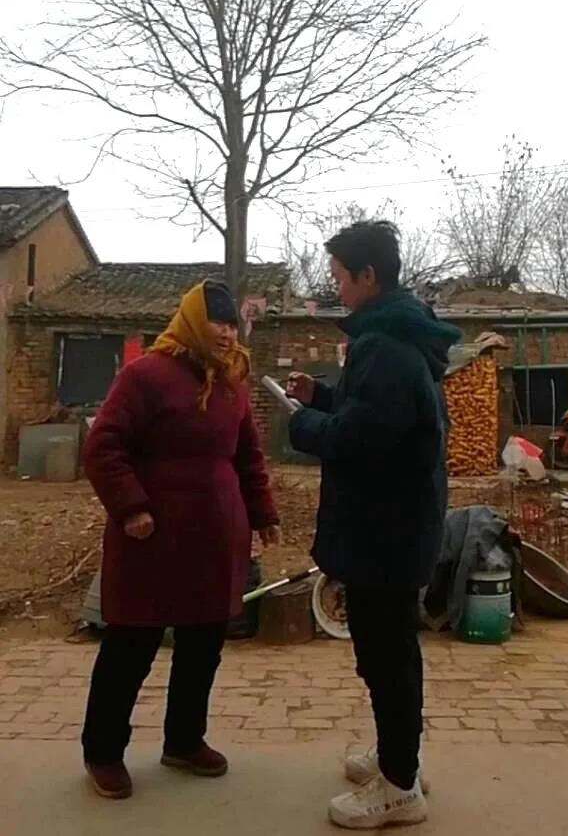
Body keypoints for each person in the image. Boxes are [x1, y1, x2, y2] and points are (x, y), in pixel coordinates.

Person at [287, 220, 460, 830]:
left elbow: (362, 438)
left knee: (387, 656)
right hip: (396, 523)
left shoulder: (385, 346)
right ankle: (398, 760)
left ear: (368, 276)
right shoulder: (400, 336)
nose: (336, 288)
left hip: (384, 529)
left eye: (340, 277)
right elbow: (375, 411)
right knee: (389, 651)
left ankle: (399, 786)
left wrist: (303, 424)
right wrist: (323, 398)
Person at [81, 280, 279, 800]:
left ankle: (185, 741)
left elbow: (248, 457)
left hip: (213, 537)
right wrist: (131, 506)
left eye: (232, 324)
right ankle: (103, 752)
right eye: (217, 322)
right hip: (151, 536)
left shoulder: (231, 382)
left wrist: (263, 513)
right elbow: (103, 446)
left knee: (202, 646)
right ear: (192, 320)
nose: (227, 333)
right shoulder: (146, 376)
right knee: (131, 646)